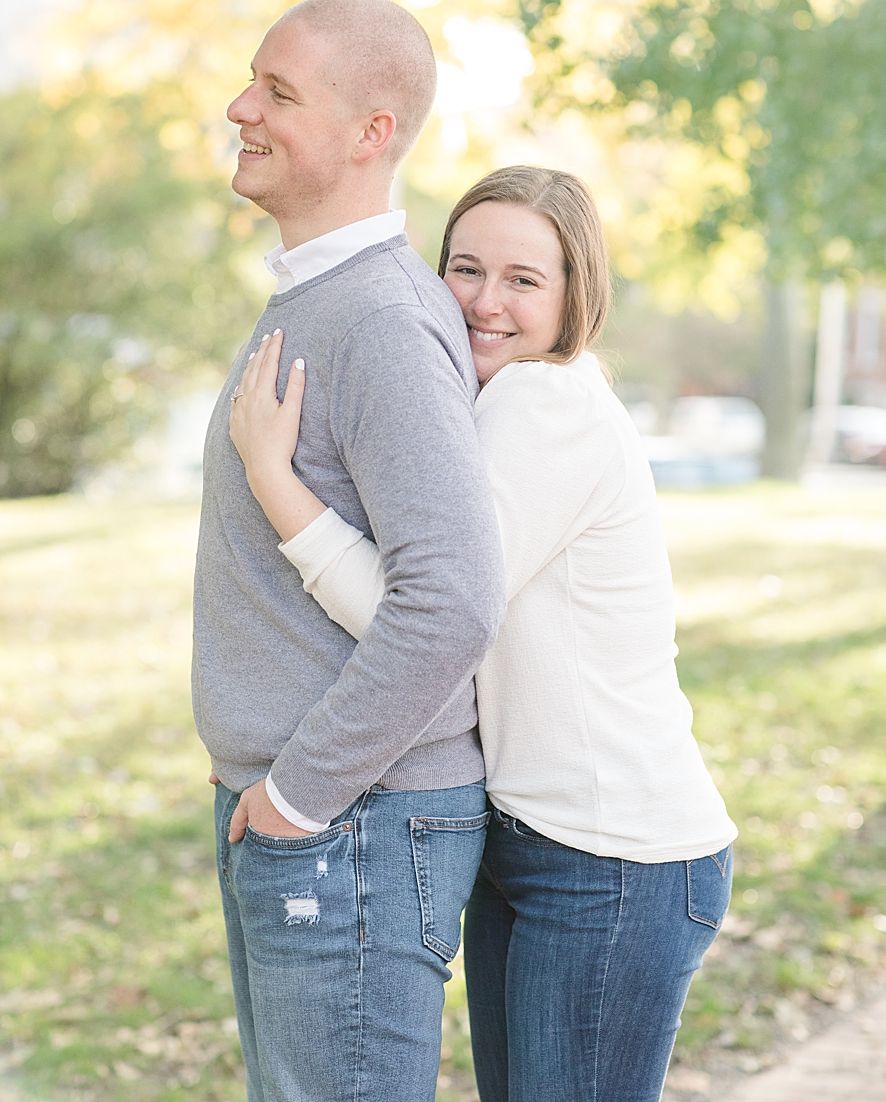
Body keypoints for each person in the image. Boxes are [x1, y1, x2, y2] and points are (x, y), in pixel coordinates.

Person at [229, 165, 737, 1101]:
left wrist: (276, 481)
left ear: (575, 295)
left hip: (614, 859)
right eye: (465, 269)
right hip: (532, 843)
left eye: (523, 280)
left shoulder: (548, 405)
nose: (485, 303)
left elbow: (426, 610)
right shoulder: (495, 401)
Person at [194, 0, 507, 1099]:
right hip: (309, 821)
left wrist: (298, 797)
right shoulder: (319, 296)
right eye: (252, 80)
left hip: (350, 830)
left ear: (373, 132)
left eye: (278, 91)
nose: (242, 107)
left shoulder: (375, 318)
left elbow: (454, 599)